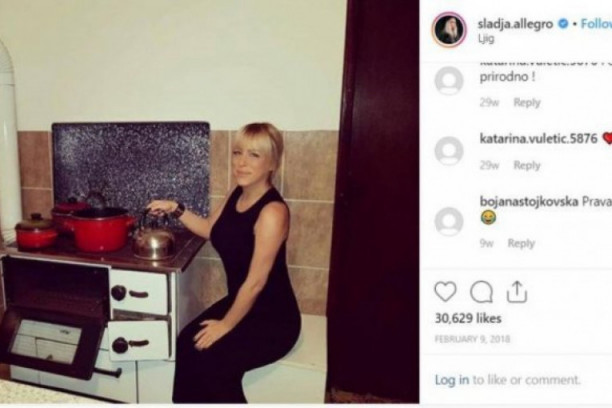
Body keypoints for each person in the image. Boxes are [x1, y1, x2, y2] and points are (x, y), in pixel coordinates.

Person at [147, 122, 301, 403]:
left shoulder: (273, 212)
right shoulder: (237, 193)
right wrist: (175, 208)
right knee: (186, 344)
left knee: (214, 363)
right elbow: (209, 229)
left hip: (274, 318)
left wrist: (226, 325)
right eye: (237, 152)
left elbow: (256, 283)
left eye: (254, 155)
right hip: (241, 302)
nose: (241, 163)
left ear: (272, 163)